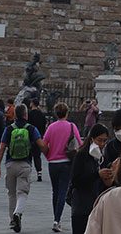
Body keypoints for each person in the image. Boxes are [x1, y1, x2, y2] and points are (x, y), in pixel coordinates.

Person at [0, 101, 49, 233]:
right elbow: (42, 145)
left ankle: (12, 221)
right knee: (22, 192)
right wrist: (49, 151)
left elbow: (1, 148)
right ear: (26, 115)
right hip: (25, 163)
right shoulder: (31, 129)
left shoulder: (9, 129)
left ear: (15, 115)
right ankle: (18, 213)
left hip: (10, 164)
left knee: (11, 193)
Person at [42, 100, 83, 233]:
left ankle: (56, 218)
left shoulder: (51, 127)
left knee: (55, 191)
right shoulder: (71, 126)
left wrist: (48, 155)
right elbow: (79, 144)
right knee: (63, 191)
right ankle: (57, 220)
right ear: (67, 112)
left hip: (53, 163)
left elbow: (44, 144)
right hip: (66, 162)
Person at [69, 122, 111, 234]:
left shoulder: (103, 157)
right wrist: (97, 175)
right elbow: (75, 180)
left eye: (104, 140)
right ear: (92, 139)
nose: (102, 144)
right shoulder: (82, 155)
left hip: (97, 205)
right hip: (82, 206)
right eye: (99, 140)